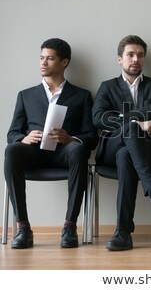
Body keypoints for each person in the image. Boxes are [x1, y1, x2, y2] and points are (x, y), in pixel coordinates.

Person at [4, 38, 99, 249]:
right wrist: (23, 138)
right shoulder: (26, 95)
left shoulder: (82, 96)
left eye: (49, 58)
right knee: (12, 150)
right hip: (33, 153)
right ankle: (23, 228)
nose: (43, 63)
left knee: (78, 149)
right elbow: (12, 133)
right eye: (41, 58)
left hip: (65, 153)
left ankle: (70, 226)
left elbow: (92, 136)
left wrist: (70, 138)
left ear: (64, 62)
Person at [92, 35, 151, 251]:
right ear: (119, 59)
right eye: (130, 54)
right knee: (129, 132)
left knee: (126, 155)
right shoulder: (107, 86)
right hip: (110, 148)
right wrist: (137, 122)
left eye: (140, 55)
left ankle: (122, 233)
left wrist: (127, 119)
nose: (135, 59)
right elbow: (99, 117)